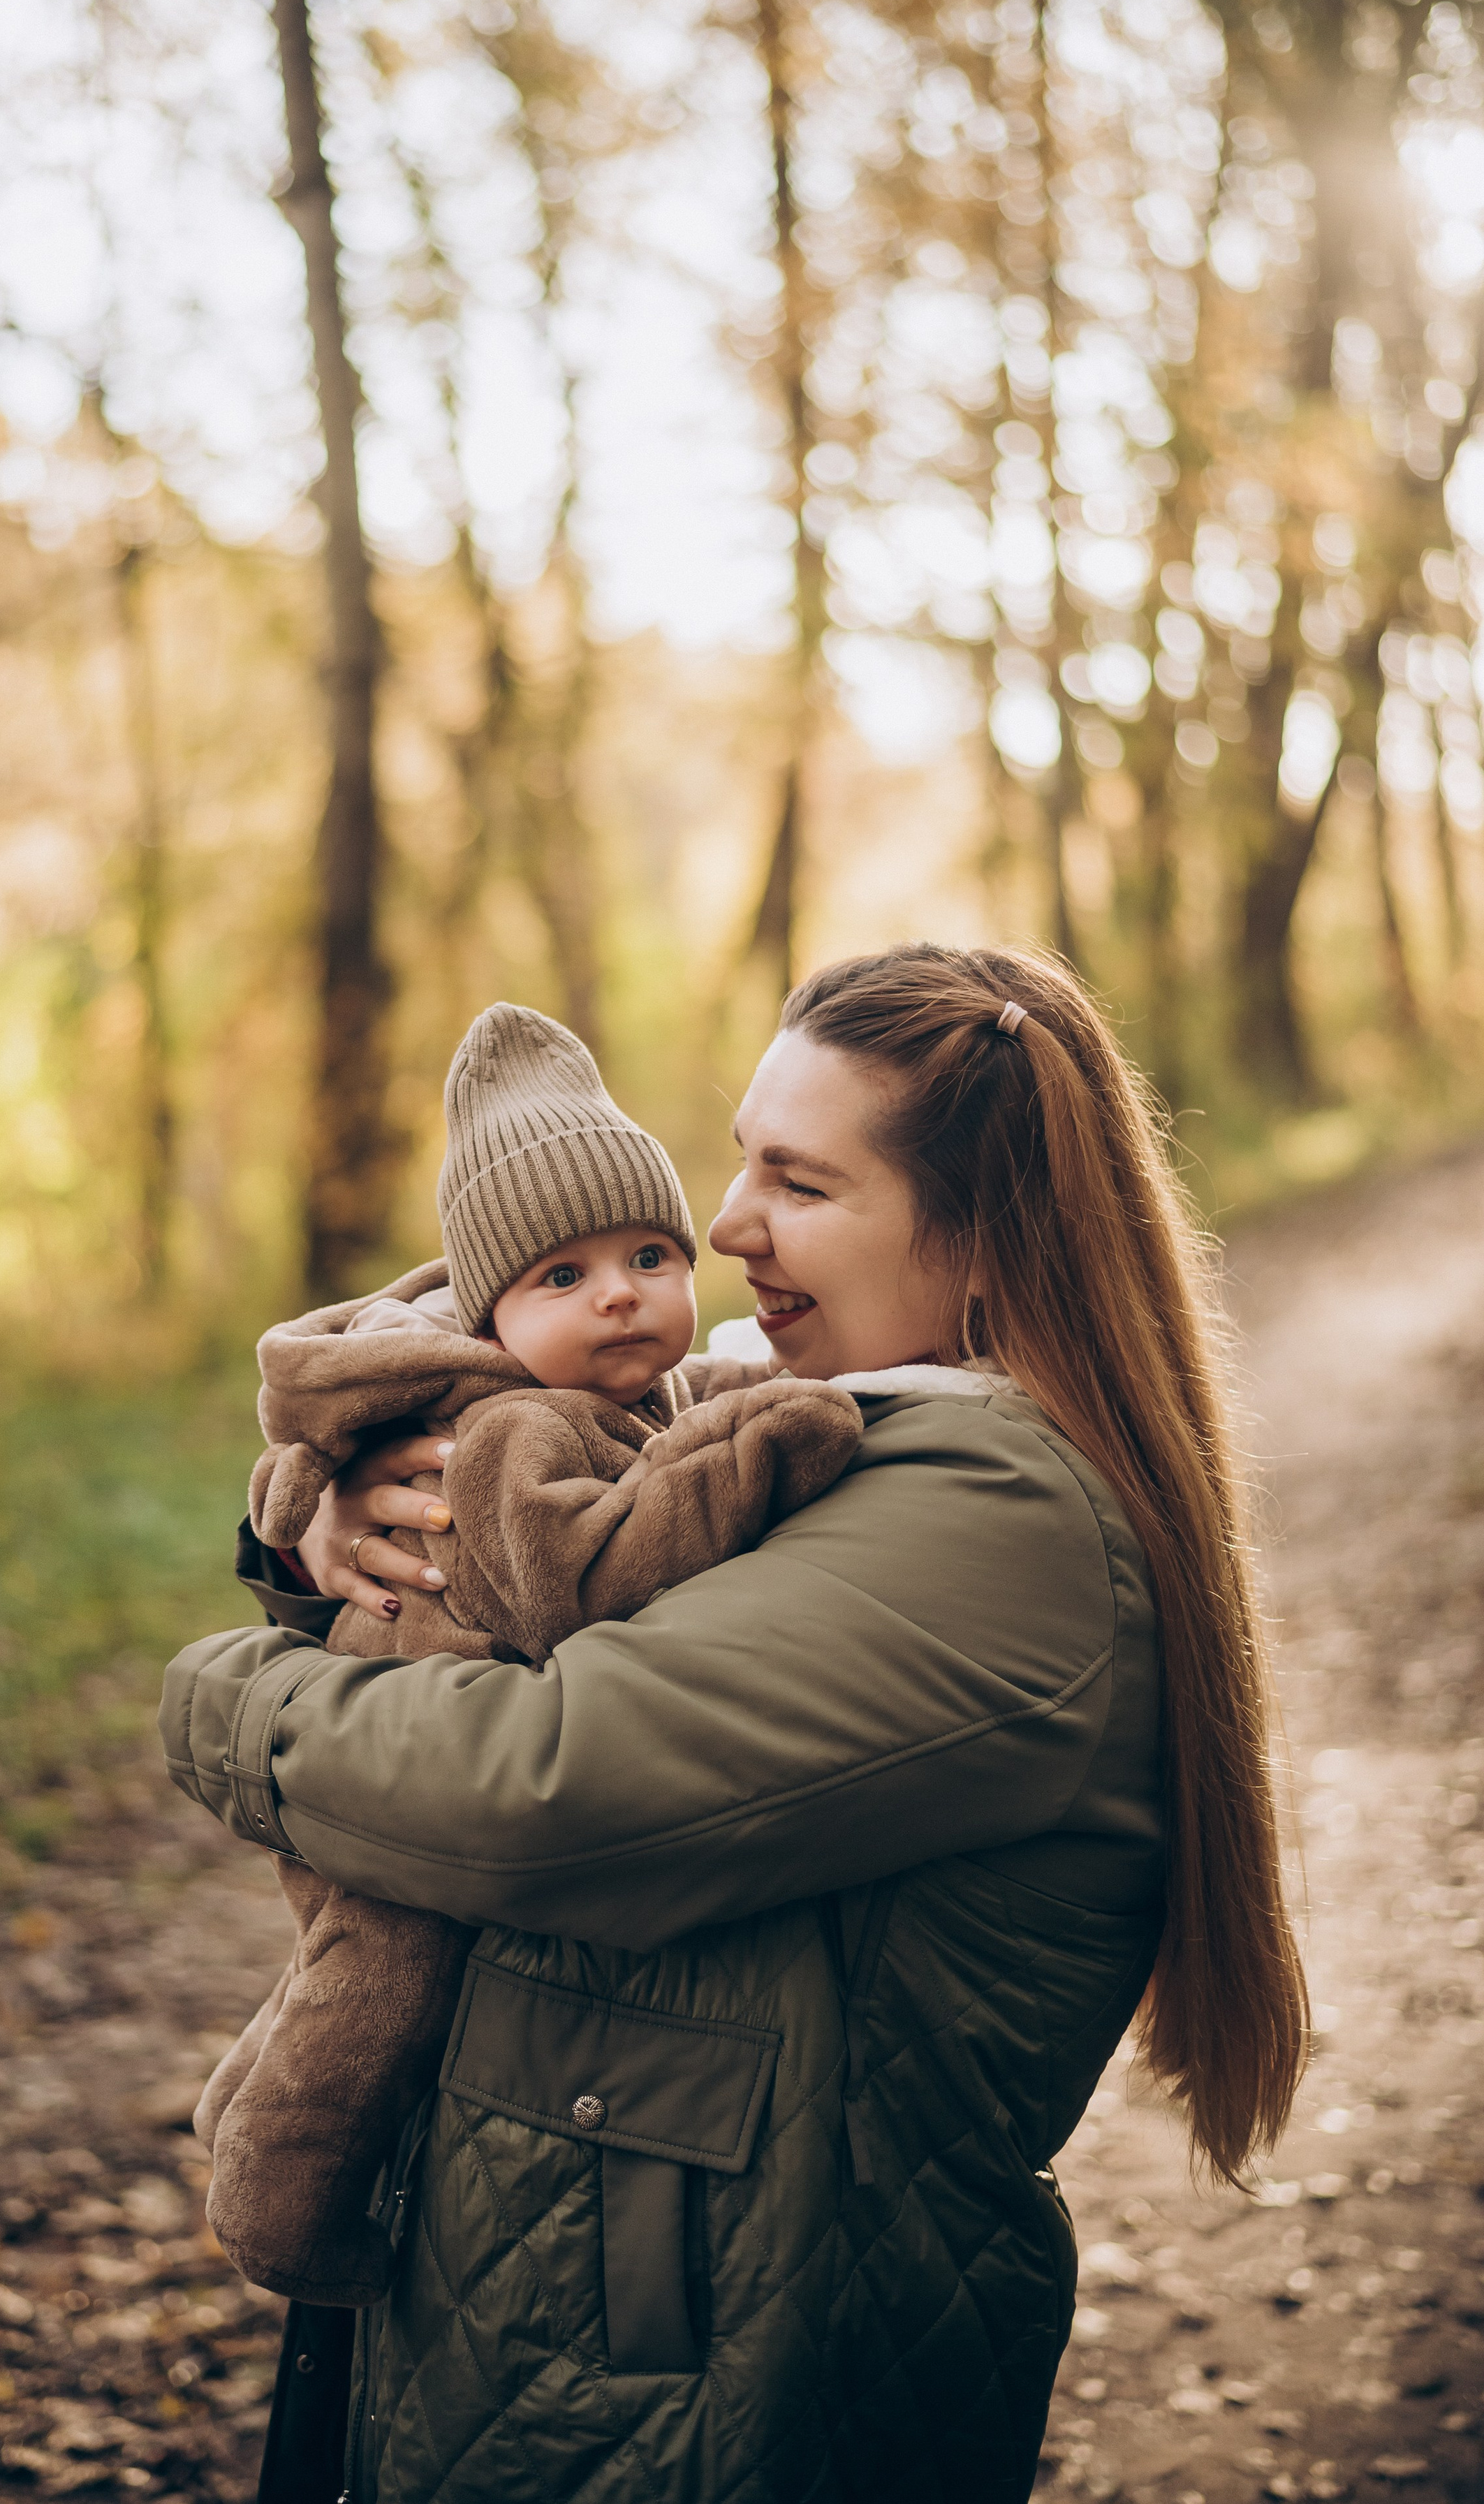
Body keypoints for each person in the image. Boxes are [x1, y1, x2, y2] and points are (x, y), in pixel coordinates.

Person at [160, 944, 1308, 2504]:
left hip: (718, 2395)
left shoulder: (990, 1510)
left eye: (800, 1181)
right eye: (738, 1156)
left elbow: (542, 1788)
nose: (722, 1224)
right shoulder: (784, 1410)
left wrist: (228, 1697)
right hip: (588, 2326)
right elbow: (505, 1521)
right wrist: (341, 1529)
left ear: (980, 1236)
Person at [191, 1001, 858, 2309]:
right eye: (563, 1276)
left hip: (418, 1754)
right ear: (493, 1317)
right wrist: (769, 1448)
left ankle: (229, 2110)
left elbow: (697, 1410)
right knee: (369, 1998)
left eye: (650, 1253)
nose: (619, 1292)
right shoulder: (512, 1434)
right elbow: (579, 1580)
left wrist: (739, 1409)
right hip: (400, 1775)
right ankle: (281, 2211)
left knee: (319, 1978)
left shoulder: (634, 1389)